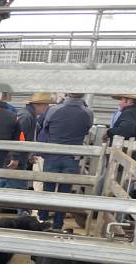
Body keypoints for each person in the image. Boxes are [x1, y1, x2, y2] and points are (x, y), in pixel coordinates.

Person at [37, 93, 92, 229]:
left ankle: (42, 221)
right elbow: (87, 130)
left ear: (67, 94)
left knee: (48, 188)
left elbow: (45, 127)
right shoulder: (88, 112)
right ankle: (58, 224)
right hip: (72, 155)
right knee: (65, 191)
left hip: (53, 153)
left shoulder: (54, 110)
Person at [109, 93, 136, 164]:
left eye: (122, 100)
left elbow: (125, 130)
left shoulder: (128, 113)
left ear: (129, 101)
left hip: (124, 160)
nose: (120, 103)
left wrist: (109, 132)